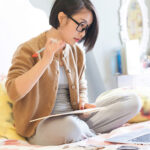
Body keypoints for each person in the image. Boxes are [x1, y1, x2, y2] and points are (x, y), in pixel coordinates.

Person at [6, 0, 142, 146]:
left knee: (133, 101)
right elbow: (13, 92)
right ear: (62, 18)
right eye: (81, 26)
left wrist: (82, 103)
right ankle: (87, 132)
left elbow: (81, 86)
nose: (83, 33)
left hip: (77, 118)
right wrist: (45, 61)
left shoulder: (77, 52)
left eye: (86, 28)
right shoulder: (28, 49)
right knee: (71, 128)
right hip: (42, 125)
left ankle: (83, 131)